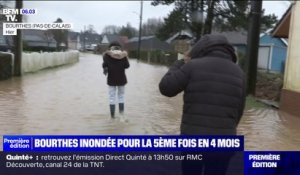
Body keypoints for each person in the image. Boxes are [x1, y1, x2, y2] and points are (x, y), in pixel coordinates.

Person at [159, 34, 246, 175]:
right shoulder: (240, 73)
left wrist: (181, 62)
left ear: (201, 49)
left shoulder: (192, 66)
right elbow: (239, 111)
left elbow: (166, 88)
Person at [103, 41, 130, 118]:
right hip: (121, 79)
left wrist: (105, 67)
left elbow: (104, 65)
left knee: (112, 98)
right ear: (119, 47)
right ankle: (121, 115)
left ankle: (112, 117)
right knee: (121, 97)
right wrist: (125, 58)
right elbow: (127, 66)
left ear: (110, 47)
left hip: (111, 79)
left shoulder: (107, 55)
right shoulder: (123, 55)